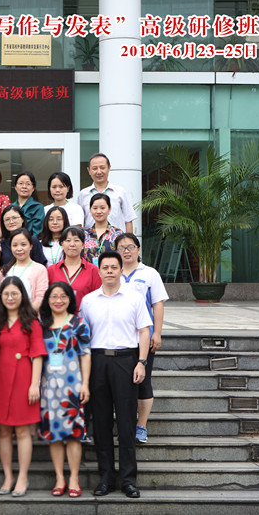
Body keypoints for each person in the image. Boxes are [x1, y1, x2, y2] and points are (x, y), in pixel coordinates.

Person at [79, 251, 152, 499]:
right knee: (101, 423)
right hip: (97, 361)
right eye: (105, 267)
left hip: (126, 361)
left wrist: (141, 362)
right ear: (99, 271)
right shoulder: (88, 301)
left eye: (114, 267)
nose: (109, 271)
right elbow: (82, 336)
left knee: (126, 423)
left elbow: (144, 331)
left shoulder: (134, 298)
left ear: (121, 270)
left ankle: (128, 480)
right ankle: (106, 478)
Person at [0, 276, 47, 497]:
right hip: (0, 379)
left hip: (24, 377)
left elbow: (38, 354)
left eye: (15, 293)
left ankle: (22, 476)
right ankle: (8, 476)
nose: (10, 298)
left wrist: (34, 385)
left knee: (23, 431)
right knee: (3, 430)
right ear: (0, 296)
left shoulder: (32, 321)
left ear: (22, 295)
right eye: (6, 294)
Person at [37, 281, 91, 498]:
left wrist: (85, 384)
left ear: (70, 299)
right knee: (55, 433)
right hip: (48, 386)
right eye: (54, 296)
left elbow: (85, 354)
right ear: (47, 300)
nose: (58, 300)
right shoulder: (41, 324)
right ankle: (60, 477)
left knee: (74, 433)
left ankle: (74, 478)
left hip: (72, 384)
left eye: (63, 296)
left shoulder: (78, 323)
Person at [116, 233, 169, 445]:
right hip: (119, 338)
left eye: (130, 247)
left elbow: (157, 304)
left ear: (138, 249)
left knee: (143, 381)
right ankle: (125, 424)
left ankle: (141, 425)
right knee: (121, 382)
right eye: (121, 247)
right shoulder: (112, 272)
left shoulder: (149, 273)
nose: (126, 251)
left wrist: (157, 332)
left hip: (143, 337)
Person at [76, 153, 137, 233]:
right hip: (91, 239)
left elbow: (128, 219)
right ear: (89, 170)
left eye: (102, 167)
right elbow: (80, 222)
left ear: (109, 168)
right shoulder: (83, 194)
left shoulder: (120, 192)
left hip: (117, 239)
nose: (99, 172)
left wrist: (128, 240)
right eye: (94, 168)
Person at [47, 227, 102, 307]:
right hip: (58, 314)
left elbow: (98, 299)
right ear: (62, 244)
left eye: (76, 240)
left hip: (84, 314)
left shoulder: (93, 270)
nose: (72, 244)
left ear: (83, 245)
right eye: (68, 240)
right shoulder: (51, 270)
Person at [0, 228, 49, 310]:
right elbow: (0, 297)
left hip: (30, 315)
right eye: (15, 245)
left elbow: (40, 299)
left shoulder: (40, 269)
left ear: (31, 246)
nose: (19, 249)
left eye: (23, 244)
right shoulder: (4, 270)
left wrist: (23, 315)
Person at [82, 193, 124, 266]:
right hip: (88, 272)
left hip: (111, 272)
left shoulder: (118, 234)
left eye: (102, 208)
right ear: (90, 210)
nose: (98, 211)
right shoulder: (84, 234)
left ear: (109, 209)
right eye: (95, 208)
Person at [12, 171, 45, 239]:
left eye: (28, 184)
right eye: (21, 183)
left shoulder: (38, 207)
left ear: (33, 188)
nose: (24, 187)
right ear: (15, 187)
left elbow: (37, 233)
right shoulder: (10, 207)